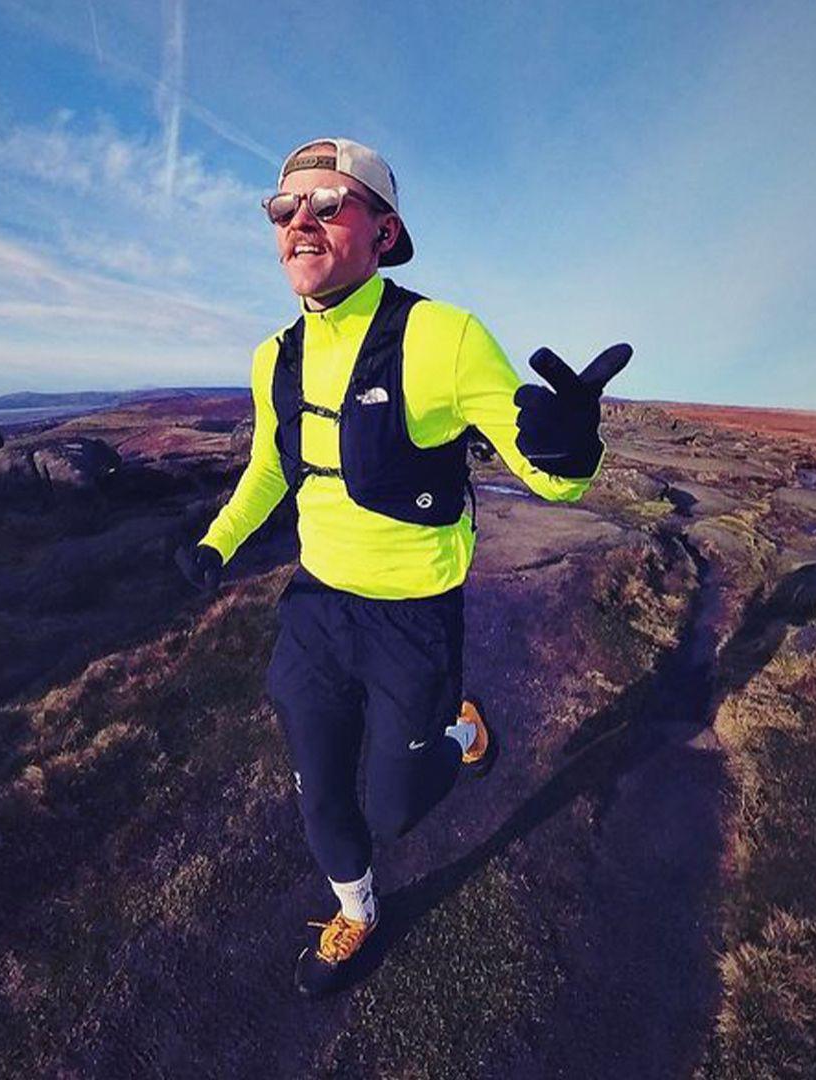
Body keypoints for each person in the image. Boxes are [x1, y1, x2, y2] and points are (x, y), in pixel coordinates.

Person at [175, 137, 629, 996]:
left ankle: (462, 728)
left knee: (395, 810)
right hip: (316, 610)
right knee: (320, 796)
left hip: (414, 616)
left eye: (327, 204)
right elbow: (273, 465)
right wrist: (218, 542)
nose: (299, 222)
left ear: (384, 233)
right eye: (284, 209)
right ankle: (358, 912)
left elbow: (548, 475)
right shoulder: (274, 357)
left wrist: (571, 451)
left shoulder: (443, 337)